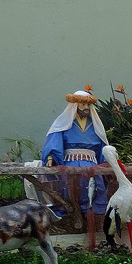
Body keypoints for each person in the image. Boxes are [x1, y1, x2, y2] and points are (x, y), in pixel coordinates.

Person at [40, 89, 109, 219]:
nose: (86, 107)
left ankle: (95, 217)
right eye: (83, 104)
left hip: (92, 166)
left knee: (96, 189)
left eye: (88, 105)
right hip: (70, 164)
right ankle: (70, 216)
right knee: (68, 191)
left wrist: (106, 161)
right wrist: (51, 157)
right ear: (75, 106)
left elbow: (103, 147)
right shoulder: (64, 124)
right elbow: (55, 141)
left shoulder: (96, 126)